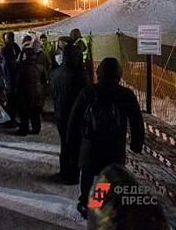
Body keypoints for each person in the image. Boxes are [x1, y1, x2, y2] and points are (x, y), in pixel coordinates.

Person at [67, 57, 144, 219]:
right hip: (114, 148)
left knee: (87, 175)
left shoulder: (88, 92)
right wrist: (136, 144)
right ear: (119, 74)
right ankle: (100, 205)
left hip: (90, 145)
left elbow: (73, 120)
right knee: (108, 177)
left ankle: (87, 204)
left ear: (99, 72)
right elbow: (137, 121)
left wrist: (71, 144)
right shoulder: (126, 95)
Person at [50, 44, 88, 184]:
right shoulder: (80, 75)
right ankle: (72, 176)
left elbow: (52, 92)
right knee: (76, 145)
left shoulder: (56, 72)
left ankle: (64, 171)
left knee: (65, 144)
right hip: (77, 117)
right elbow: (86, 97)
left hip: (60, 114)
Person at [15, 37, 47, 136]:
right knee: (35, 113)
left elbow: (16, 81)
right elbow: (45, 79)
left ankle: (23, 130)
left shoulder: (21, 68)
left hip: (24, 94)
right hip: (37, 93)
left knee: (24, 113)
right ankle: (36, 129)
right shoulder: (40, 67)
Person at [1, 31, 21, 128]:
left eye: (7, 38)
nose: (6, 39)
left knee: (12, 101)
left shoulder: (12, 47)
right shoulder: (7, 49)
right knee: (10, 101)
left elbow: (8, 65)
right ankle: (9, 120)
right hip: (11, 79)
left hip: (12, 78)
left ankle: (11, 120)